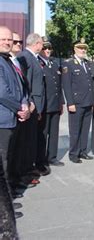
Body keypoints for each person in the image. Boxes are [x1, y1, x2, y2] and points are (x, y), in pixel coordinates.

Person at [0, 25, 29, 230]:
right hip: (3, 121)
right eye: (3, 39)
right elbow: (2, 92)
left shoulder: (8, 60)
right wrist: (20, 107)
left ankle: (6, 203)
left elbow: (20, 86)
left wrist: (25, 103)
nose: (7, 42)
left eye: (9, 39)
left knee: (7, 163)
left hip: (13, 117)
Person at [16, 33, 45, 178]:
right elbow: (26, 83)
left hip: (35, 104)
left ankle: (30, 166)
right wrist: (31, 103)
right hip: (31, 105)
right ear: (36, 44)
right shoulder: (25, 57)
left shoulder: (33, 57)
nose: (43, 46)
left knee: (33, 138)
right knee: (28, 139)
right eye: (41, 43)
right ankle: (26, 169)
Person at [62, 38, 94, 163]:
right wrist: (70, 103)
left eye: (84, 48)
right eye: (80, 48)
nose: (83, 50)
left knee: (85, 129)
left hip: (87, 101)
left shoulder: (87, 63)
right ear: (74, 49)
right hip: (76, 102)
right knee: (75, 130)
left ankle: (83, 151)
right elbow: (66, 85)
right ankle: (74, 153)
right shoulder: (68, 63)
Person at [37, 38, 64, 167]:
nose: (47, 51)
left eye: (49, 48)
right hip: (45, 105)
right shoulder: (37, 63)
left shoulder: (54, 63)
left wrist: (61, 103)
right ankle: (41, 160)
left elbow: (59, 85)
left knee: (54, 133)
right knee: (43, 134)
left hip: (56, 104)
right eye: (45, 48)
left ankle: (52, 157)